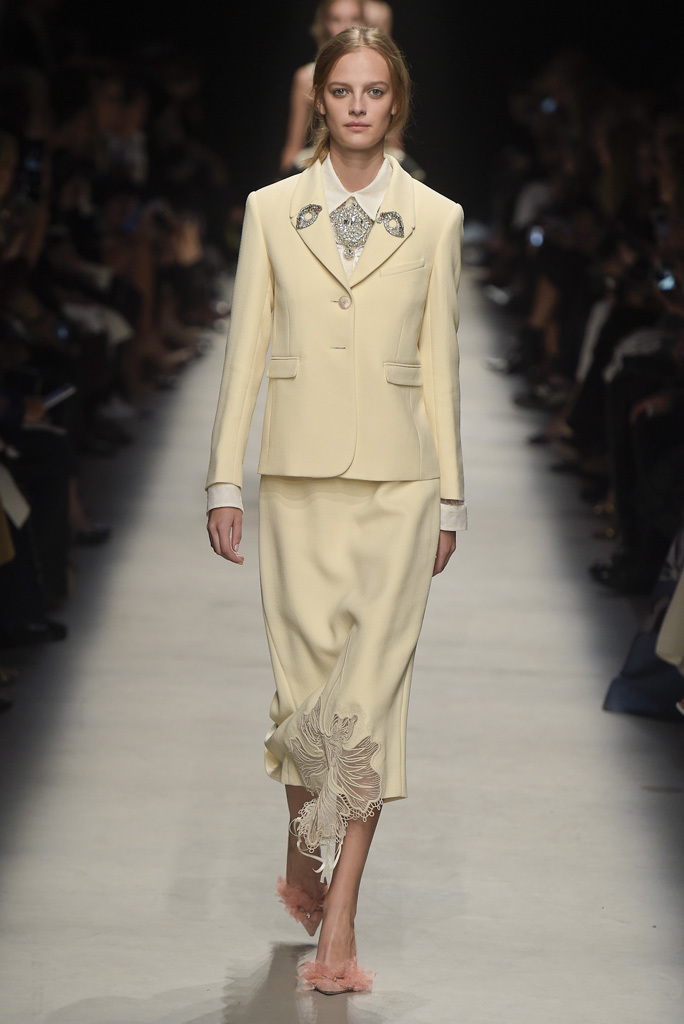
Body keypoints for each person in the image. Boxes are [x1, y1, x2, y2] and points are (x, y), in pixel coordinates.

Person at [207, 25, 466, 994]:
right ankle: (300, 844)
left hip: (400, 485)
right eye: (343, 91)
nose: (359, 106)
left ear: (396, 103)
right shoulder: (271, 211)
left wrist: (452, 496)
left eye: (374, 91)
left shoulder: (436, 219)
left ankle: (342, 920)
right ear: (319, 100)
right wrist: (223, 478)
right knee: (303, 703)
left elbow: (440, 363)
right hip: (299, 483)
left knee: (369, 706)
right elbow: (245, 347)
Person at [280, 0, 365, 175]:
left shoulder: (381, 77)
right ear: (325, 24)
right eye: (336, 19)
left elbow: (394, 144)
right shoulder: (307, 78)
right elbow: (293, 147)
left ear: (364, 23)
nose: (346, 27)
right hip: (323, 170)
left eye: (354, 19)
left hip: (371, 168)